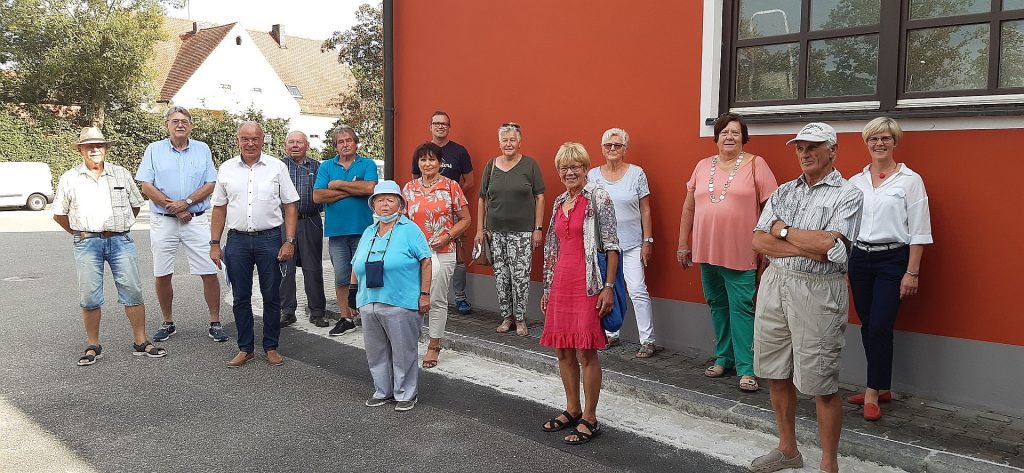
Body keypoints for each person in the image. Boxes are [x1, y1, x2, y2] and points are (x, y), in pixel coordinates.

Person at [749, 122, 863, 473]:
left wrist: (782, 232)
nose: (805, 153)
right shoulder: (784, 191)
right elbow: (758, 241)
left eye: (813, 146)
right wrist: (808, 243)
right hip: (775, 284)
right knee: (775, 371)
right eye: (799, 147)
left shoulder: (849, 194)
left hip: (819, 291)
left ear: (833, 150)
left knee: (821, 382)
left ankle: (829, 465)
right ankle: (788, 450)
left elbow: (832, 248)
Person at [677, 113, 779, 392]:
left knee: (743, 308)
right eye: (724, 132)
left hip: (741, 251)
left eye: (735, 132)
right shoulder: (701, 165)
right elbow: (689, 208)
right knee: (717, 304)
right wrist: (683, 243)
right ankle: (724, 357)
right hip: (706, 249)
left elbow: (772, 207)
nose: (730, 137)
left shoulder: (756, 164)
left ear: (743, 138)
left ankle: (748, 368)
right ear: (717, 137)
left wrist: (768, 249)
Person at [53, 127, 166, 365]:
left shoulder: (121, 174)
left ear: (106, 149)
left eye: (99, 145)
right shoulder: (69, 177)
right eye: (89, 146)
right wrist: (79, 232)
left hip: (120, 240)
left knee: (133, 292)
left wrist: (121, 225)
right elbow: (59, 214)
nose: (95, 149)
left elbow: (136, 204)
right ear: (81, 150)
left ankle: (141, 342)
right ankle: (93, 345)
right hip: (87, 242)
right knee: (89, 296)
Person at [847, 117, 932, 421]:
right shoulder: (855, 182)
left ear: (895, 142)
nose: (879, 144)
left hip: (892, 260)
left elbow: (920, 230)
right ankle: (881, 386)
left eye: (885, 138)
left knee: (881, 325)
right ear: (866, 143)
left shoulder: (910, 180)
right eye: (873, 139)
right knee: (869, 325)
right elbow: (846, 225)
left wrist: (912, 272)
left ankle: (872, 393)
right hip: (859, 260)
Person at [539, 142, 619, 445]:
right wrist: (547, 288)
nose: (570, 171)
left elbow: (612, 245)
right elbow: (551, 248)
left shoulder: (599, 197)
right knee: (562, 349)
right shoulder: (560, 201)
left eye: (576, 166)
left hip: (589, 283)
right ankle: (572, 409)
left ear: (585, 168)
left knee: (586, 351)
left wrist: (608, 288)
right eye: (564, 167)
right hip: (561, 282)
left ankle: (590, 417)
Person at [209, 122, 299, 368]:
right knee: (241, 296)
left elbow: (290, 204)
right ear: (238, 140)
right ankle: (245, 348)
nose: (250, 143)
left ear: (263, 140)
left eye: (255, 139)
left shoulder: (277, 167)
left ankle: (271, 346)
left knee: (271, 296)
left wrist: (289, 241)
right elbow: (219, 207)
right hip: (237, 241)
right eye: (245, 139)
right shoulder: (227, 168)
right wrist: (215, 243)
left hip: (270, 239)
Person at [136, 106, 227, 343]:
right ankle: (168, 322)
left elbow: (210, 183)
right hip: (163, 221)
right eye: (175, 120)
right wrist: (175, 210)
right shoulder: (154, 150)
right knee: (162, 273)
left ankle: (215, 322)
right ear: (167, 124)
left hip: (195, 220)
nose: (180, 124)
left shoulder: (202, 149)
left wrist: (186, 203)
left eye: (184, 121)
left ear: (191, 125)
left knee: (209, 271)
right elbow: (146, 185)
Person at [353, 180, 432, 412]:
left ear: (400, 205)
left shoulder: (410, 229)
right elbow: (356, 264)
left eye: (390, 200)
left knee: (403, 350)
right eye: (379, 200)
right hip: (369, 300)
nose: (384, 204)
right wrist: (351, 294)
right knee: (375, 351)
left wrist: (424, 294)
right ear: (373, 205)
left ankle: (406, 393)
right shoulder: (369, 231)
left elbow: (426, 261)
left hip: (401, 301)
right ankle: (382, 390)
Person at [587, 127, 659, 357]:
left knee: (637, 289)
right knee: (608, 290)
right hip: (605, 246)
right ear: (602, 149)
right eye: (608, 145)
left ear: (625, 149)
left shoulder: (636, 173)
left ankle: (647, 340)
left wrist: (648, 240)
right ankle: (611, 333)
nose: (612, 149)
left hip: (631, 243)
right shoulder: (593, 176)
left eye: (617, 145)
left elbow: (646, 209)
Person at [403, 142, 471, 369]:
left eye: (432, 159)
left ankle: (434, 344)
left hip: (443, 251)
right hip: (414, 255)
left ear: (440, 163)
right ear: (418, 163)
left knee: (437, 299)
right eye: (423, 159)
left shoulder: (451, 186)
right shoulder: (409, 189)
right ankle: (411, 340)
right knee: (413, 298)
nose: (427, 163)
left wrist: (448, 236)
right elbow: (402, 221)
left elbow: (466, 219)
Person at [475, 123, 545, 336]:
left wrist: (538, 228)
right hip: (495, 232)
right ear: (499, 142)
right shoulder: (491, 166)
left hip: (522, 232)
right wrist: (480, 229)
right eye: (505, 140)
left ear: (519, 142)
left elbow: (540, 196)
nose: (508, 144)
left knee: (520, 277)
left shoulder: (530, 165)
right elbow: (482, 199)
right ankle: (507, 317)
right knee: (501, 276)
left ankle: (521, 319)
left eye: (512, 140)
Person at [313, 125, 378, 336]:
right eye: (340, 142)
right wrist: (352, 190)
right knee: (342, 277)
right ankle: (346, 317)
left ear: (356, 142)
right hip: (337, 232)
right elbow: (318, 197)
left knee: (368, 275)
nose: (345, 144)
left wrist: (338, 184)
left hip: (364, 231)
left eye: (349, 140)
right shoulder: (326, 166)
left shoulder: (367, 164)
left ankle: (371, 316)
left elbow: (370, 189)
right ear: (335, 146)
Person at [411, 111, 475, 315]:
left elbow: (470, 181)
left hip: (452, 212)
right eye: (436, 123)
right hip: (424, 214)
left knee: (458, 257)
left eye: (444, 124)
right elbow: (414, 179)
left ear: (449, 127)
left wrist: (448, 200)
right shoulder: (420, 151)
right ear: (430, 126)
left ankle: (460, 297)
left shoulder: (459, 151)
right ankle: (424, 295)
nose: (440, 126)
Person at [279, 131, 328, 328]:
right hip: (283, 223)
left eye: (299, 142)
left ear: (307, 145)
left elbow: (323, 193)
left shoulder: (317, 167)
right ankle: (287, 311)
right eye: (291, 142)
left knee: (313, 268)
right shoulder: (278, 167)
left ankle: (317, 312)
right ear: (285, 145)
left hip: (310, 221)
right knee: (285, 268)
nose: (295, 145)